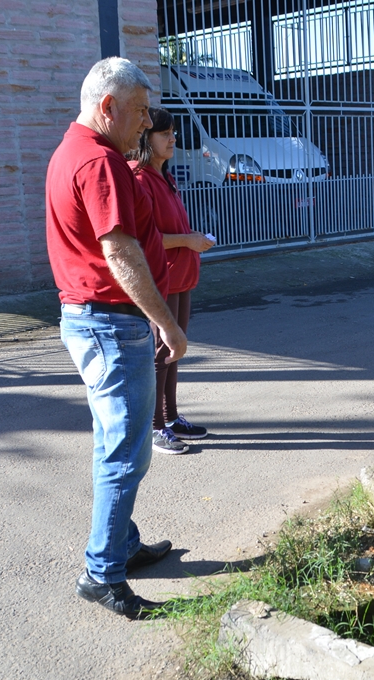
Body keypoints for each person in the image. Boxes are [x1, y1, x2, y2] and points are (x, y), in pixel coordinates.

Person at [45, 57, 188, 619]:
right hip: (109, 323)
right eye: (141, 111)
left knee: (114, 442)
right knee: (126, 453)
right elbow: (120, 252)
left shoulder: (71, 151)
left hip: (91, 319)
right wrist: (166, 321)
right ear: (108, 107)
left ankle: (122, 545)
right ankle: (103, 574)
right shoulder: (100, 161)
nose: (147, 122)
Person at [130, 107, 215, 455]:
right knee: (160, 352)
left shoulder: (164, 176)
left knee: (174, 349)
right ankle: (154, 427)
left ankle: (171, 417)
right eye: (164, 133)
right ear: (146, 139)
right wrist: (188, 241)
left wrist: (192, 239)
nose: (173, 139)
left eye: (173, 132)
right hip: (160, 279)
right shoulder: (139, 179)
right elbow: (144, 238)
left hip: (179, 276)